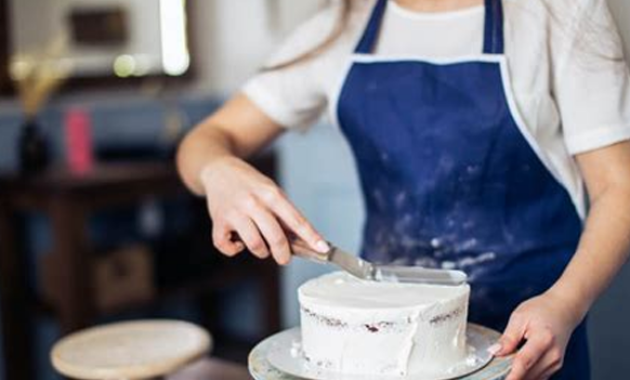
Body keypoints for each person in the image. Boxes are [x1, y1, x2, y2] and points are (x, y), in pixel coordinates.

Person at [176, 0, 630, 379]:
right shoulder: (340, 28)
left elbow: (619, 186)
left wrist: (566, 304)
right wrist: (219, 171)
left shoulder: (561, 14)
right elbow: (203, 142)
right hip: (381, 347)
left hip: (530, 341)